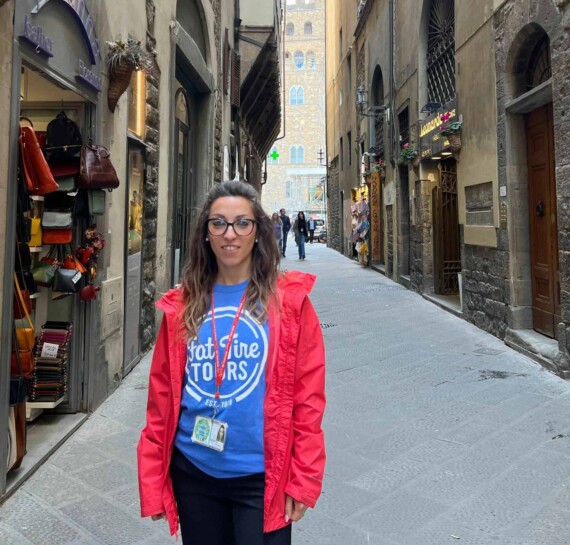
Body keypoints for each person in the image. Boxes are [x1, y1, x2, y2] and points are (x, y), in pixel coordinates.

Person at [137, 181, 326, 545]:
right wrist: (153, 476)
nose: (230, 234)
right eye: (218, 223)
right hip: (193, 472)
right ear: (205, 233)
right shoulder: (181, 306)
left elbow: (309, 398)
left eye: (242, 223)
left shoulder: (289, 304)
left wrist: (303, 477)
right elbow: (160, 399)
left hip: (260, 476)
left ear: (258, 232)